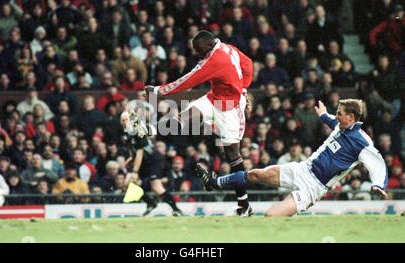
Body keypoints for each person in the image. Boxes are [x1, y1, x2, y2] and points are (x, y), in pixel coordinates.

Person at [198, 99, 388, 216]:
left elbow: (377, 164)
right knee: (256, 174)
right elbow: (331, 120)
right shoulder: (342, 125)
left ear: (352, 118)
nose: (336, 116)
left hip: (314, 187)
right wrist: (323, 115)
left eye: (340, 113)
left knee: (272, 216)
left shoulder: (362, 142)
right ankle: (213, 182)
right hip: (303, 169)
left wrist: (379, 184)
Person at [145, 30, 254, 216]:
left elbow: (185, 81)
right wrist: (243, 88)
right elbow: (248, 64)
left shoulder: (214, 60)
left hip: (230, 109)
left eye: (198, 50)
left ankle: (244, 204)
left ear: (208, 46)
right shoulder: (228, 48)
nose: (197, 54)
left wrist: (158, 90)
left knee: (232, 156)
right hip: (214, 99)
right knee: (187, 115)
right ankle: (152, 129)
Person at [120, 111, 183, 216]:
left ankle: (176, 209)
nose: (124, 122)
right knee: (126, 185)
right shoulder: (127, 133)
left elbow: (140, 151)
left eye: (126, 119)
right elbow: (134, 149)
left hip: (153, 159)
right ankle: (150, 202)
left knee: (156, 187)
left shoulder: (137, 130)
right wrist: (131, 158)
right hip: (144, 161)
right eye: (122, 120)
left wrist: (135, 171)